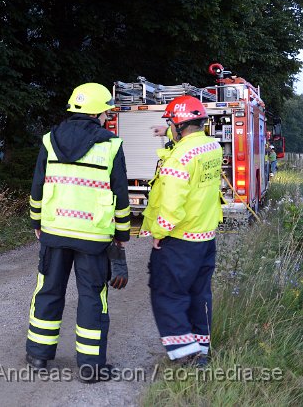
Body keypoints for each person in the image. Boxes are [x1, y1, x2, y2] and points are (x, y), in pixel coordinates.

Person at [26, 83, 131, 383]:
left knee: (48, 290)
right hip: (94, 238)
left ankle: (38, 356)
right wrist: (121, 234)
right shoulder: (111, 145)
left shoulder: (49, 141)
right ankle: (90, 366)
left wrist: (37, 222)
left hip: (54, 231)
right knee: (92, 298)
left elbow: (37, 187)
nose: (106, 118)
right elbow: (120, 196)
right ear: (98, 113)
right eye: (105, 113)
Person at [142, 95, 222, 367]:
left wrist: (159, 232)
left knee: (168, 292)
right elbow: (192, 137)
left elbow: (172, 206)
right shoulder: (212, 147)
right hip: (205, 236)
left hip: (179, 239)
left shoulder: (178, 158)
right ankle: (202, 351)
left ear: (178, 126)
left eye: (170, 124)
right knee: (200, 294)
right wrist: (164, 131)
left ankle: (184, 352)